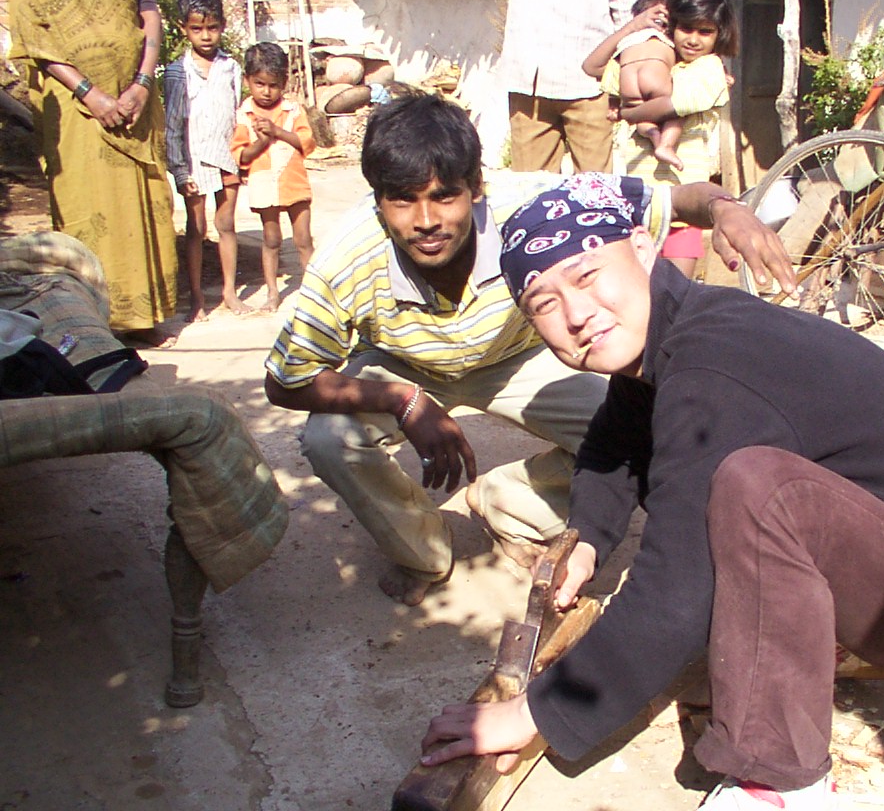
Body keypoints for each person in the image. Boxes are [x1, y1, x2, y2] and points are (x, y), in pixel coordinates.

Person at [417, 176, 884, 810]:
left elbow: (677, 589)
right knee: (740, 499)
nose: (576, 314)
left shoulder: (711, 365)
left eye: (587, 276)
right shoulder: (676, 330)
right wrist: (587, 540)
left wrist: (538, 712)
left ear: (643, 248)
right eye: (544, 304)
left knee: (758, 490)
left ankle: (778, 779)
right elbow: (613, 442)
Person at [262, 89, 796, 608]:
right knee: (329, 439)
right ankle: (422, 554)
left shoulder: (533, 203)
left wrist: (727, 209)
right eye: (402, 199)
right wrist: (402, 399)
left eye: (444, 196)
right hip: (403, 365)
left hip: (514, 354)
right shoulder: (346, 258)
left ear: (476, 186)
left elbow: (675, 200)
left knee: (651, 431)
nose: (424, 221)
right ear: (378, 200)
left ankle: (508, 503)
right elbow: (285, 380)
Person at [10, 0, 179, 348]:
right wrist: (90, 93)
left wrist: (143, 83)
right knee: (87, 203)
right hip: (75, 105)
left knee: (139, 200)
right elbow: (34, 37)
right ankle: (92, 319)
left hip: (135, 98)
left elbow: (147, 8)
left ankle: (140, 318)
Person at [591, 0, 739, 278]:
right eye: (686, 28)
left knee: (675, 293)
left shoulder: (709, 69)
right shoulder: (654, 62)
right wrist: (633, 28)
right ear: (671, 25)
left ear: (719, 34)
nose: (693, 39)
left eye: (705, 31)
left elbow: (672, 105)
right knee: (638, 293)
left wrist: (628, 112)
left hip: (684, 209)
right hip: (640, 205)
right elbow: (594, 66)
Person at [475, 0, 638, 174]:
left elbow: (625, 1)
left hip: (589, 84)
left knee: (595, 189)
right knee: (531, 190)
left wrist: (627, 71)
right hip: (529, 82)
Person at [164, 0, 249, 322]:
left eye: (212, 27)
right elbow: (173, 125)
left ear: (222, 26)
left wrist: (243, 156)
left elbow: (236, 113)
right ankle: (197, 296)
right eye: (197, 28)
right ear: (183, 28)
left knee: (226, 224)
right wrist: (180, 170)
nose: (205, 36)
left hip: (226, 155)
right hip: (194, 158)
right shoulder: (177, 72)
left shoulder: (231, 68)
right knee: (196, 228)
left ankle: (229, 292)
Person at [231, 42, 315, 313]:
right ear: (247, 81)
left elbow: (307, 142)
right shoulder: (244, 115)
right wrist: (261, 142)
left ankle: (314, 294)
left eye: (273, 85)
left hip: (294, 182)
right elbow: (241, 155)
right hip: (264, 184)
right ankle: (272, 293)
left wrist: (277, 132)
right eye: (260, 84)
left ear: (284, 83)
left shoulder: (293, 110)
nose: (266, 92)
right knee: (271, 239)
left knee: (303, 240)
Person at [582, 0, 684, 170]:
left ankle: (654, 137)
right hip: (655, 78)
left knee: (642, 118)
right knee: (677, 110)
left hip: (629, 86)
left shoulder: (628, 41)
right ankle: (666, 145)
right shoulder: (665, 38)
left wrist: (629, 28)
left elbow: (590, 67)